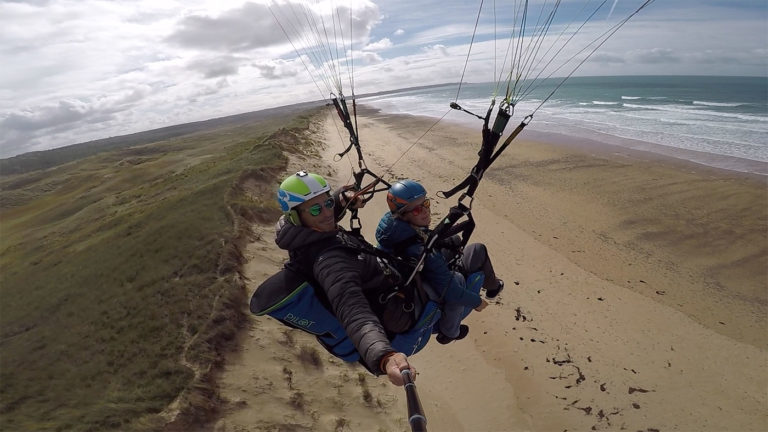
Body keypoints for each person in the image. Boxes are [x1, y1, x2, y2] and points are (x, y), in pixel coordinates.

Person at [274, 170, 416, 386]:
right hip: (390, 308)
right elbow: (353, 311)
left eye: (327, 203)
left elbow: (325, 210)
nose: (326, 213)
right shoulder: (330, 262)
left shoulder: (300, 232)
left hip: (374, 277)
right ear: (296, 216)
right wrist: (385, 357)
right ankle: (449, 328)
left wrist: (342, 198)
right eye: (315, 209)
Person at [375, 179, 504, 343]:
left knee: (455, 240)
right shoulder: (419, 248)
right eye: (416, 210)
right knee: (459, 276)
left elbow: (425, 239)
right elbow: (451, 290)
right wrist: (477, 302)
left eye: (426, 203)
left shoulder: (393, 227)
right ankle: (450, 332)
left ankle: (493, 287)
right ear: (402, 215)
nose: (425, 211)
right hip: (418, 289)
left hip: (413, 274)